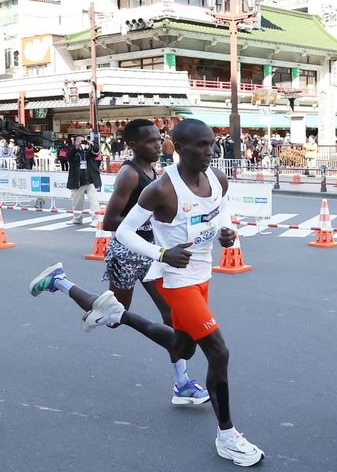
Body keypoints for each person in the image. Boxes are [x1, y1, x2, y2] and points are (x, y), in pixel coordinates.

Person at [67, 119, 264, 466]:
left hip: (203, 276)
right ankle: (228, 436)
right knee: (218, 351)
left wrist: (227, 231)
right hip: (175, 279)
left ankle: (117, 314)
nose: (209, 151)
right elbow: (122, 230)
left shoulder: (217, 177)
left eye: (211, 143)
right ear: (180, 148)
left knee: (181, 345)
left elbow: (222, 209)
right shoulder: (160, 189)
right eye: (201, 146)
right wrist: (161, 253)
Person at [30, 120, 208, 405]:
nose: (158, 144)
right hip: (127, 252)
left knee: (171, 316)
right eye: (150, 141)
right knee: (113, 315)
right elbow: (110, 220)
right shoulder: (129, 174)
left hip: (151, 251)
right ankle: (59, 281)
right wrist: (150, 217)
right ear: (132, 146)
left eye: (159, 139)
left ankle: (182, 384)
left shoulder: (154, 170)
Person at [66, 136, 102, 225]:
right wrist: (76, 147)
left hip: (90, 180)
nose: (81, 142)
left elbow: (96, 152)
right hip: (77, 180)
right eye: (78, 140)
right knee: (77, 202)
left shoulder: (89, 151)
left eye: (83, 140)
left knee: (94, 201)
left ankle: (96, 220)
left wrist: (93, 144)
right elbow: (69, 157)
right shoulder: (72, 150)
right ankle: (77, 219)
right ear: (74, 142)